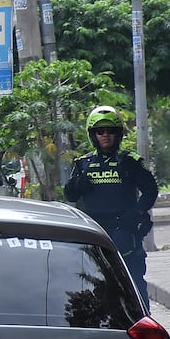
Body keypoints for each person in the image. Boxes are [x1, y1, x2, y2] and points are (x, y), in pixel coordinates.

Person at [63, 105, 158, 309]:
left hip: (123, 230)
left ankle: (142, 320)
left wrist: (137, 212)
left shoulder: (130, 161)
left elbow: (151, 190)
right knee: (95, 283)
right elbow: (69, 195)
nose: (105, 135)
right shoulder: (83, 164)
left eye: (111, 130)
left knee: (132, 281)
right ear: (93, 135)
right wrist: (77, 184)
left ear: (118, 134)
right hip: (94, 232)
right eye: (100, 131)